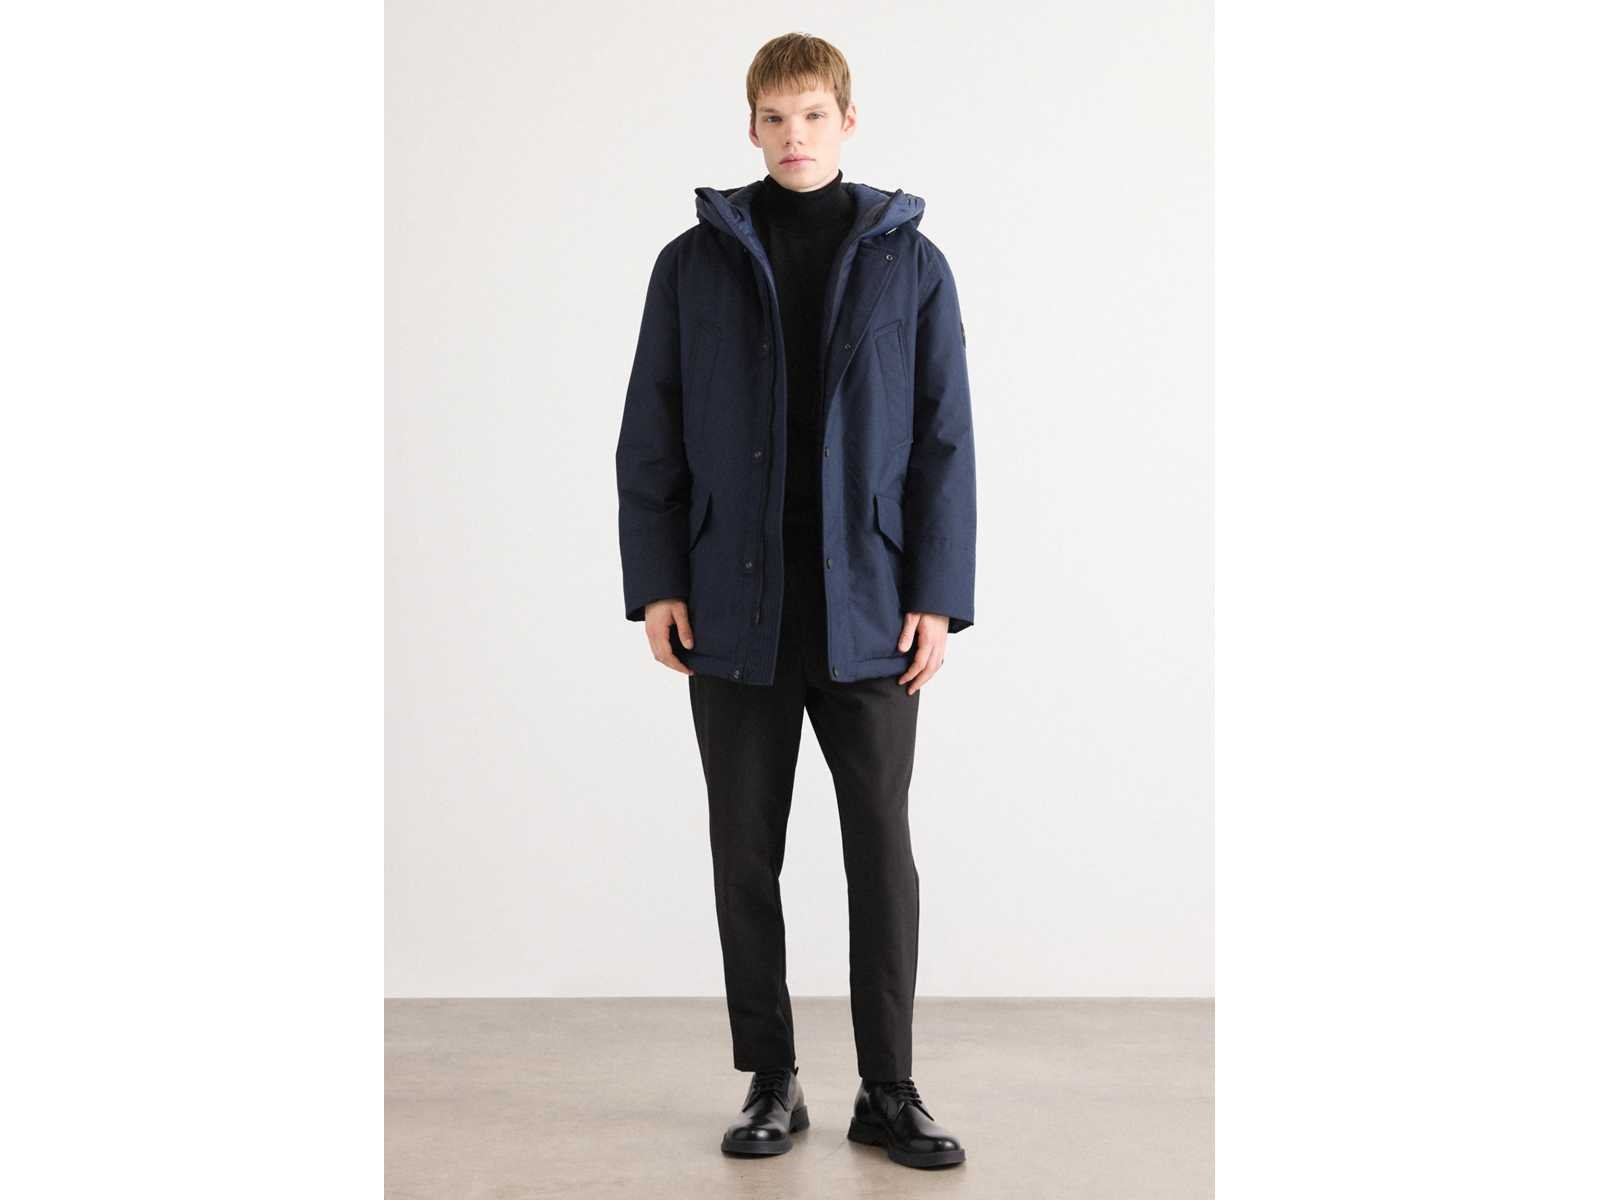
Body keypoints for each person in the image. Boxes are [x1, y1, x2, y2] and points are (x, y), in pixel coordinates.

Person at [614, 32, 976, 1170]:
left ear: (847, 120)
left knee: (881, 853)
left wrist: (936, 596)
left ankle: (889, 1088)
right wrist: (658, 581)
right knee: (744, 852)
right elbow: (652, 428)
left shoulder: (911, 263)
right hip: (734, 607)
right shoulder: (693, 263)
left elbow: (944, 440)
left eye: (813, 114)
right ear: (751, 126)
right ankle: (771, 1077)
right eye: (774, 118)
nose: (793, 136)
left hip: (869, 608)